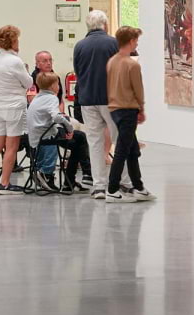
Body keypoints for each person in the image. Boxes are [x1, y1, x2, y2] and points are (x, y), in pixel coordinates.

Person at [0, 25, 34, 195]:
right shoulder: (15, 61)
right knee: (11, 145)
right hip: (13, 107)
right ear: (11, 41)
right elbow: (28, 83)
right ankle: (4, 183)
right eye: (16, 39)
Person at [104, 26, 152, 202]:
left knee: (132, 149)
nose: (137, 43)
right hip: (128, 110)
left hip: (114, 109)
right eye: (136, 40)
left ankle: (139, 187)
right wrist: (141, 108)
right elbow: (138, 89)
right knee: (122, 150)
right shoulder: (132, 64)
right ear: (131, 41)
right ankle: (112, 189)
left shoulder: (111, 62)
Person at [73, 10, 118, 193]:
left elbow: (78, 72)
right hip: (110, 99)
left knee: (94, 143)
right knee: (119, 140)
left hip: (87, 99)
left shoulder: (79, 46)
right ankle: (122, 183)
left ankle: (98, 185)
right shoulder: (113, 43)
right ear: (104, 24)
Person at [24, 71, 68, 194]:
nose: (59, 86)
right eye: (58, 84)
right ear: (53, 86)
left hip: (34, 137)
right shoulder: (52, 98)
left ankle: (40, 171)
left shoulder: (36, 98)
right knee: (79, 138)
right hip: (46, 136)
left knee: (50, 137)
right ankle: (47, 173)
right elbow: (56, 117)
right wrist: (68, 127)